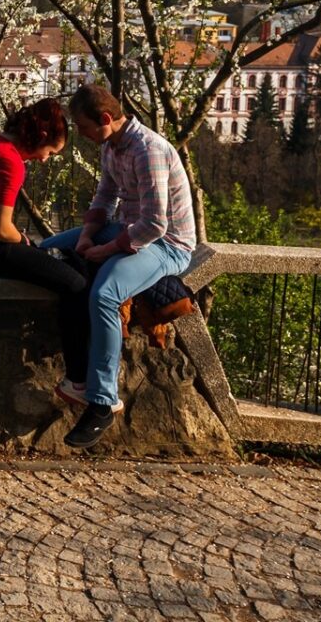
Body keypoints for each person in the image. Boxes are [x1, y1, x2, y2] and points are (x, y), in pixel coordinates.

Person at [41, 82, 199, 450]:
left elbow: (156, 224)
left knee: (106, 294)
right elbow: (105, 197)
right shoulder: (112, 147)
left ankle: (102, 400)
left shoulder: (148, 151)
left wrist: (107, 249)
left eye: (82, 125)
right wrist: (87, 236)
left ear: (106, 119)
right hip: (126, 229)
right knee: (46, 252)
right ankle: (78, 371)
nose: (78, 133)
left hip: (166, 244)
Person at [0, 98, 93, 407]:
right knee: (75, 284)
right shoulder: (9, 161)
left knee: (67, 260)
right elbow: (1, 229)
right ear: (38, 138)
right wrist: (23, 240)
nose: (46, 160)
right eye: (50, 152)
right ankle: (78, 379)